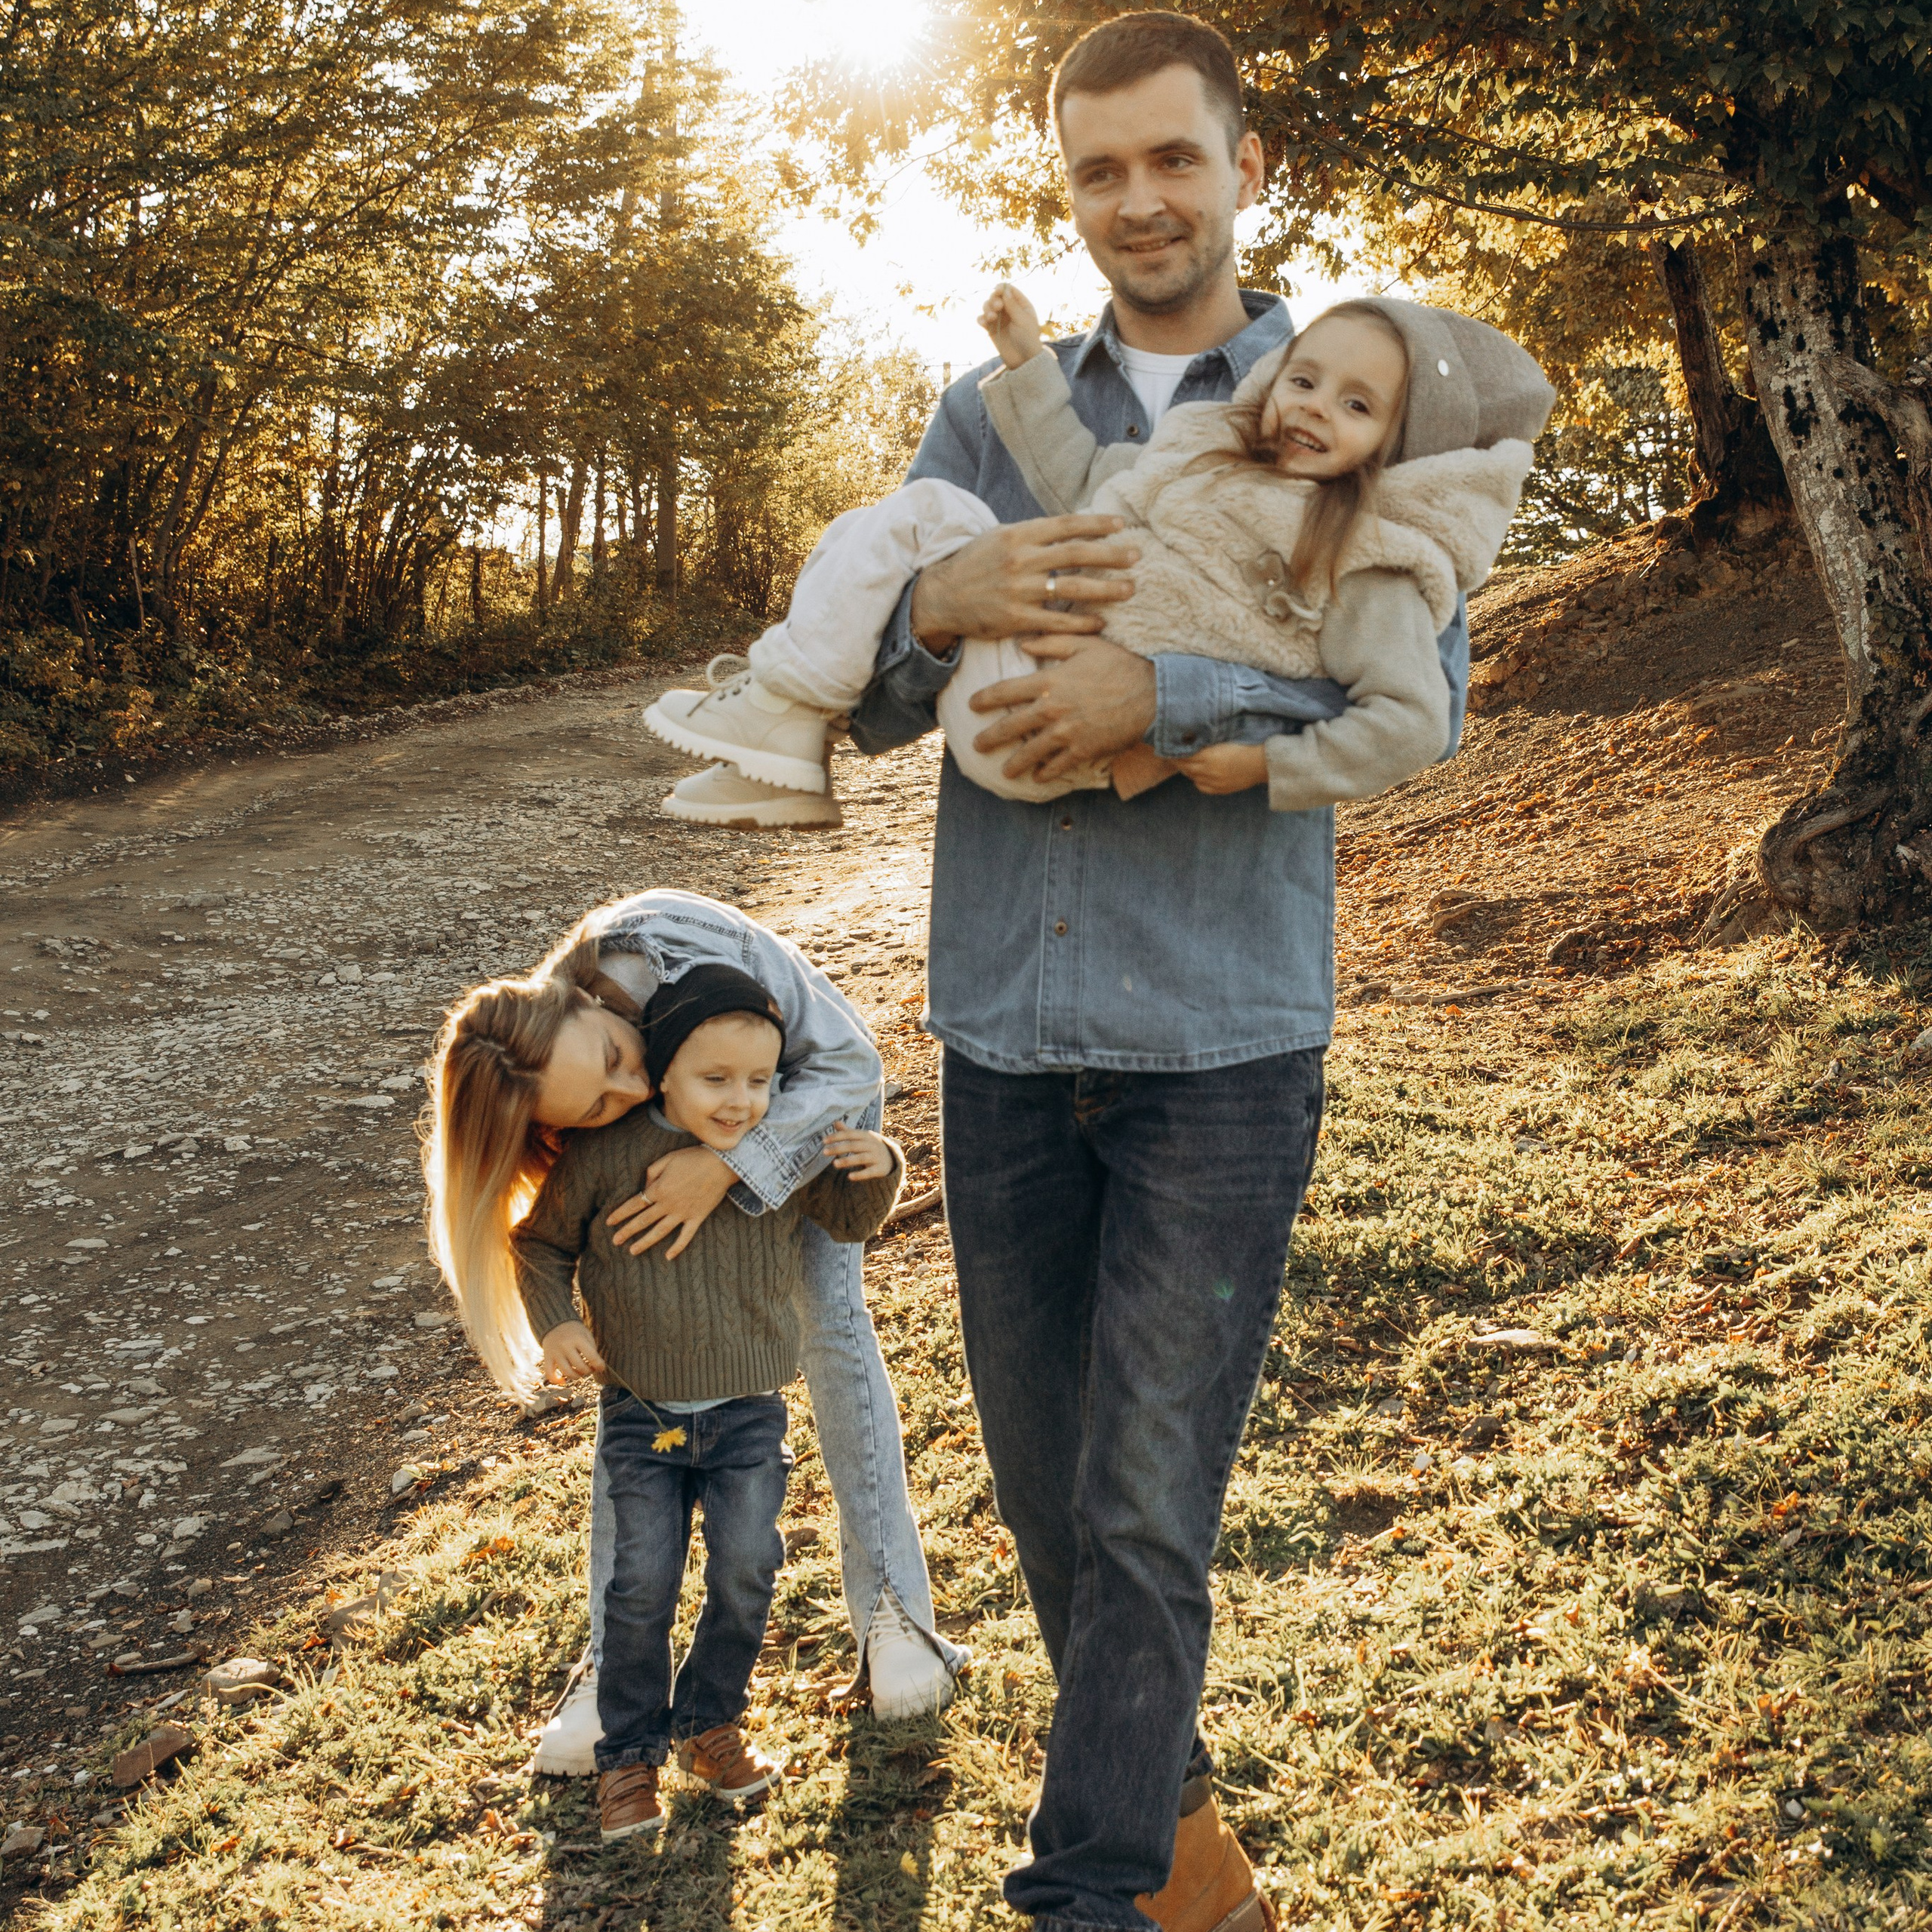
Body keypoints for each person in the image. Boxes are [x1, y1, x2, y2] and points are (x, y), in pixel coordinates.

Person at [852, 14, 1480, 1932]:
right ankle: (1184, 1837)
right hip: (1004, 1029)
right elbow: (878, 692)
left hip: (1218, 1034)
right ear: (1069, 187)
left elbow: (1418, 696)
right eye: (1097, 171)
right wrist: (926, 606)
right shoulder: (984, 413)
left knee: (1141, 1499)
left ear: (1243, 163)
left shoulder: (1359, 398)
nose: (1137, 201)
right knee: (1054, 1499)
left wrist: (1173, 687)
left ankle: (1089, 1891)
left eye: (1171, 160)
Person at [421, 890, 965, 1779]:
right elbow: (558, 1227)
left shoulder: (671, 936)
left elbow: (852, 1064)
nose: (628, 1087)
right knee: (633, 1374)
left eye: (612, 1059)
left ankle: (895, 1617)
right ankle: (610, 1664)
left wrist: (725, 1165)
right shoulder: (563, 1065)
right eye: (598, 1106)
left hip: (802, 1113)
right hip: (687, 1155)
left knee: (827, 1318)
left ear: (583, 1003)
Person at [643, 288, 1548, 811]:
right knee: (909, 518)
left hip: (1044, 739)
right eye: (1304, 380)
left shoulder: (1366, 554)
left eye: (1357, 404)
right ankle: (790, 730)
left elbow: (1416, 718)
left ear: (1400, 443)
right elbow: (1077, 472)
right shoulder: (1204, 456)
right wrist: (1028, 361)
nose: (1314, 405)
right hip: (1022, 671)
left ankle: (782, 710)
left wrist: (1270, 762)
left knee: (920, 513)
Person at [507, 964, 905, 1840]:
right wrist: (557, 1326)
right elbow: (535, 1243)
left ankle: (710, 1724)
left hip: (748, 1414)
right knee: (641, 1584)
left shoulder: (774, 1151)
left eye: (760, 1081)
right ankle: (629, 1758)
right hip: (643, 1416)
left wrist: (883, 1163)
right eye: (715, 1080)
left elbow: (849, 1215)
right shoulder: (603, 1155)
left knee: (745, 1569)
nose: (740, 1103)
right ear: (664, 1071)